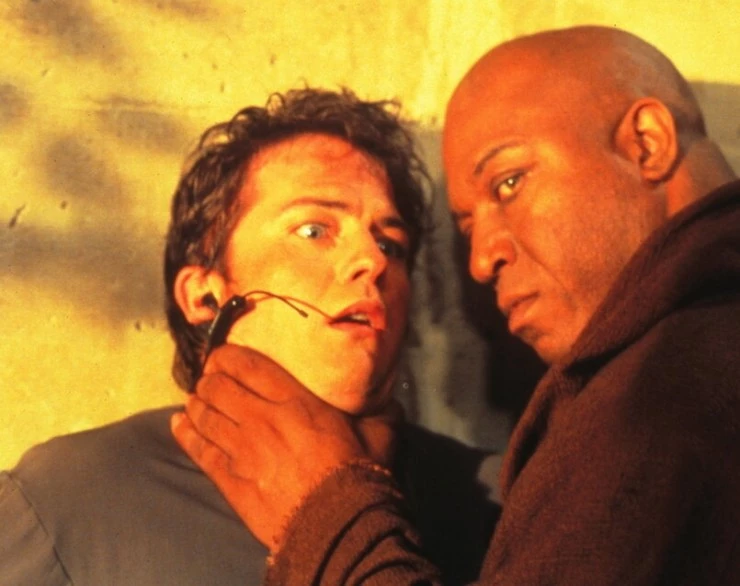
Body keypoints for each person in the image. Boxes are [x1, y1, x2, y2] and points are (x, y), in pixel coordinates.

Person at [174, 26, 740, 585]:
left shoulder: (674, 392)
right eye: (314, 230)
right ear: (203, 295)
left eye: (509, 182)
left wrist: (332, 521)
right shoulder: (120, 486)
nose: (480, 262)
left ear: (646, 142)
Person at [0, 88, 500, 585]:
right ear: (204, 296)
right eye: (314, 231)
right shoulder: (65, 504)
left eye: (390, 244)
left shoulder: (496, 508)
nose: (372, 260)